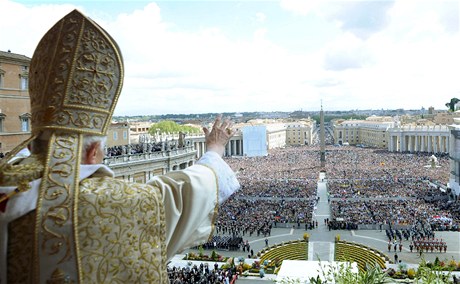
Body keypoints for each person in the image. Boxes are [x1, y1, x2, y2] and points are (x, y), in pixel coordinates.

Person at [0, 10, 239, 284]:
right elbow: (187, 192)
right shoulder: (112, 205)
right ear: (93, 153)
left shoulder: (7, 184)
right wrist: (215, 149)